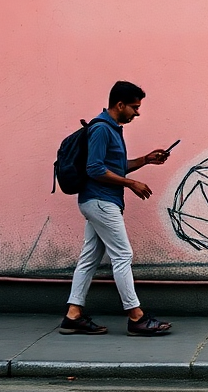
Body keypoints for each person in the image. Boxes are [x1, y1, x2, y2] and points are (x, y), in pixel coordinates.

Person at [60, 80, 173, 336]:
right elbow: (95, 170)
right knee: (122, 256)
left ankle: (73, 314)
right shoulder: (102, 129)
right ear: (119, 105)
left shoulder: (113, 129)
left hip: (98, 201)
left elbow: (112, 166)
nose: (138, 112)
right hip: (100, 201)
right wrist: (131, 183)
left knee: (89, 259)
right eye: (134, 107)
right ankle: (136, 317)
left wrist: (145, 160)